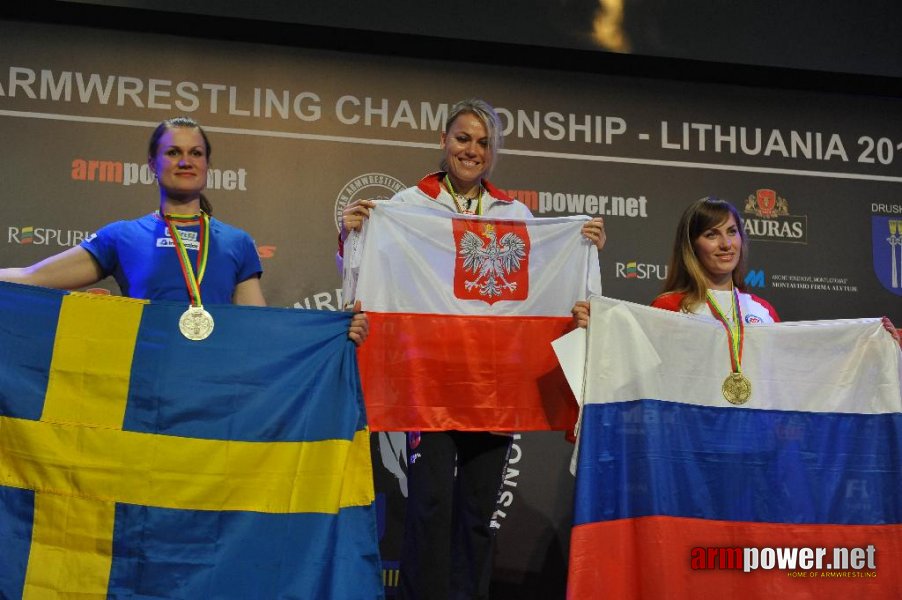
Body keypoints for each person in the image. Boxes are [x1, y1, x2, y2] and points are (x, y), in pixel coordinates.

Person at [341, 98, 605, 600]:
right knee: (430, 506)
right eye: (463, 138)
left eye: (484, 142)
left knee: (479, 511)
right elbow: (377, 280)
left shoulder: (515, 213)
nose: (472, 150)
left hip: (494, 388)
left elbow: (542, 285)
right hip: (431, 384)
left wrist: (582, 245)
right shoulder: (406, 208)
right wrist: (355, 235)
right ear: (444, 142)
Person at [0, 116, 368, 343]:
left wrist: (334, 332)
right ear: (152, 164)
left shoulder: (236, 242)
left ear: (207, 165)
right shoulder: (122, 236)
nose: (185, 161)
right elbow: (34, 277)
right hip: (141, 385)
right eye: (173, 152)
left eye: (195, 153)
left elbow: (261, 327)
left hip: (213, 387)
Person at [571, 196, 900, 346]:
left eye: (732, 232)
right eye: (711, 234)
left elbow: (793, 369)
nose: (725, 244)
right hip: (694, 444)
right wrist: (597, 330)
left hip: (753, 444)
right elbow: (636, 368)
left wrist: (870, 345)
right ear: (692, 245)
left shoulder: (763, 310)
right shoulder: (670, 306)